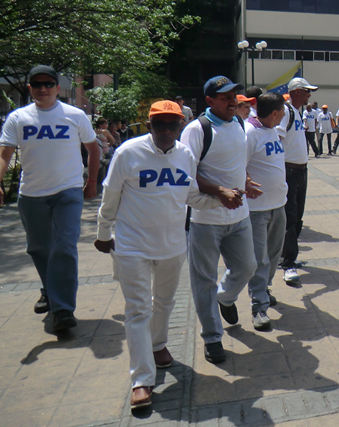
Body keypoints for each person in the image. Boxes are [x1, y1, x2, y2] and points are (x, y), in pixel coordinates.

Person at [94, 100, 221, 410]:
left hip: (172, 244)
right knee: (137, 310)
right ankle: (141, 380)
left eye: (172, 125)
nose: (166, 131)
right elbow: (110, 195)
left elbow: (189, 195)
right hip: (132, 245)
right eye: (159, 124)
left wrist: (221, 199)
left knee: (164, 302)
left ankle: (158, 345)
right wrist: (102, 233)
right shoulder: (128, 152)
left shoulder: (185, 155)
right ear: (148, 125)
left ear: (180, 126)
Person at [0, 65, 101, 330]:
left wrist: (91, 182)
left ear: (58, 87)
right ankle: (49, 288)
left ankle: (63, 310)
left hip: (67, 192)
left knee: (65, 247)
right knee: (39, 248)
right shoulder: (17, 118)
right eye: (37, 85)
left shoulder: (75, 115)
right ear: (30, 88)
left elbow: (93, 149)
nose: (42, 89)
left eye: (48, 84)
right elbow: (4, 155)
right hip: (32, 194)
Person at [180, 76, 261, 365]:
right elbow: (186, 174)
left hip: (239, 215)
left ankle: (225, 298)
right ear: (210, 100)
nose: (232, 100)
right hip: (206, 220)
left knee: (247, 266)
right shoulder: (197, 129)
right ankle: (212, 337)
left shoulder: (239, 124)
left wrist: (246, 181)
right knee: (204, 281)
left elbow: (238, 163)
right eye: (225, 96)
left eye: (234, 95)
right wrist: (218, 191)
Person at [245, 93, 288, 330]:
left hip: (278, 205)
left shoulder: (272, 130)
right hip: (257, 210)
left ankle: (264, 288)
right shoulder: (249, 134)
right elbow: (237, 165)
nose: (284, 114)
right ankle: (258, 307)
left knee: (273, 254)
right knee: (260, 259)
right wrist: (246, 181)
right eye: (282, 110)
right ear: (274, 113)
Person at [276, 77, 318, 285]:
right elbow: (277, 139)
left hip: (301, 171)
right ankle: (288, 265)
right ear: (296, 92)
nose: (310, 95)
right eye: (307, 91)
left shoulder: (297, 112)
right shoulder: (286, 111)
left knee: (297, 215)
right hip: (289, 171)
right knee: (290, 217)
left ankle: (287, 256)